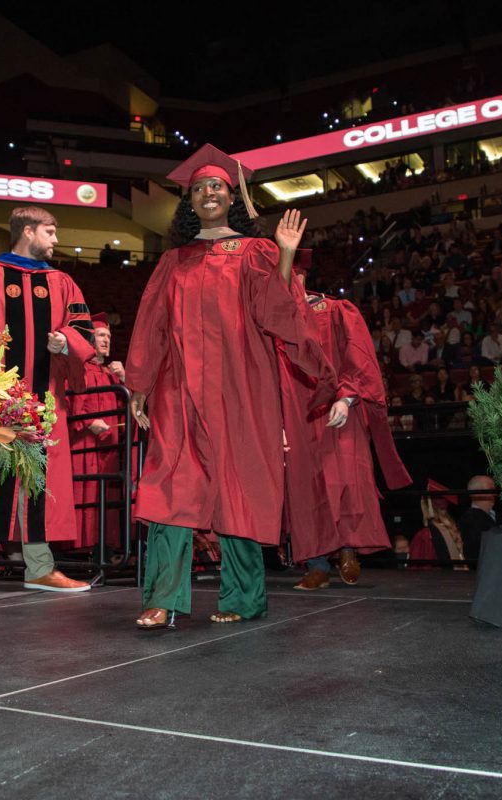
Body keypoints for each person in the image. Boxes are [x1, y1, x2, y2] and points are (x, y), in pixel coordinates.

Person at [126, 144, 334, 628]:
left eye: (215, 185)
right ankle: (163, 597)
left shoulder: (256, 251)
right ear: (190, 202)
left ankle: (243, 597)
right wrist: (140, 385)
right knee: (170, 486)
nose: (207, 193)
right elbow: (151, 325)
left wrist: (283, 254)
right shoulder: (173, 261)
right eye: (198, 189)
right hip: (180, 390)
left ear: (231, 195)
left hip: (241, 387)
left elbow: (277, 312)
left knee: (239, 488)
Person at [0, 207, 95, 594]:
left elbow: (83, 327)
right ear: (28, 231)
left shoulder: (62, 282)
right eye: (49, 232)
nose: (55, 240)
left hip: (46, 402)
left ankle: (39, 568)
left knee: (40, 483)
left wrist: (66, 340)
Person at [283, 270, 411, 591]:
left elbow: (358, 357)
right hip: (298, 418)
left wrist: (348, 396)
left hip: (340, 408)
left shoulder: (337, 310)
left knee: (347, 480)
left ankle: (349, 548)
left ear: (300, 275)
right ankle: (317, 565)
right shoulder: (277, 322)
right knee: (307, 488)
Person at [65, 313, 126, 553]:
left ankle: (103, 549)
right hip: (83, 446)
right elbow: (66, 403)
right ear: (89, 339)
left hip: (108, 450)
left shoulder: (112, 374)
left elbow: (129, 413)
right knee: (84, 492)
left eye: (109, 336)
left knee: (105, 498)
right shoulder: (78, 369)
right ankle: (77, 550)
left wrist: (125, 378)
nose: (106, 340)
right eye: (101, 335)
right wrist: (88, 422)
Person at [457, 475, 498, 565]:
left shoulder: (500, 516)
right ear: (476, 493)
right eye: (491, 489)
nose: (495, 494)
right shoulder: (469, 521)